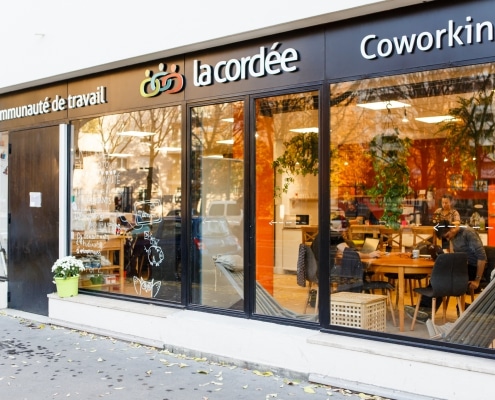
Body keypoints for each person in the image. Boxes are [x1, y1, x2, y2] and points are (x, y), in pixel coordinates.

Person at [405, 219, 486, 323]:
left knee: (443, 278)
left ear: (452, 228)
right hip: (462, 267)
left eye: (447, 236)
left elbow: (482, 257)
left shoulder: (468, 233)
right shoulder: (453, 236)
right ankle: (424, 309)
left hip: (473, 268)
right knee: (440, 274)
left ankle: (425, 310)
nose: (447, 239)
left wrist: (477, 280)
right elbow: (454, 254)